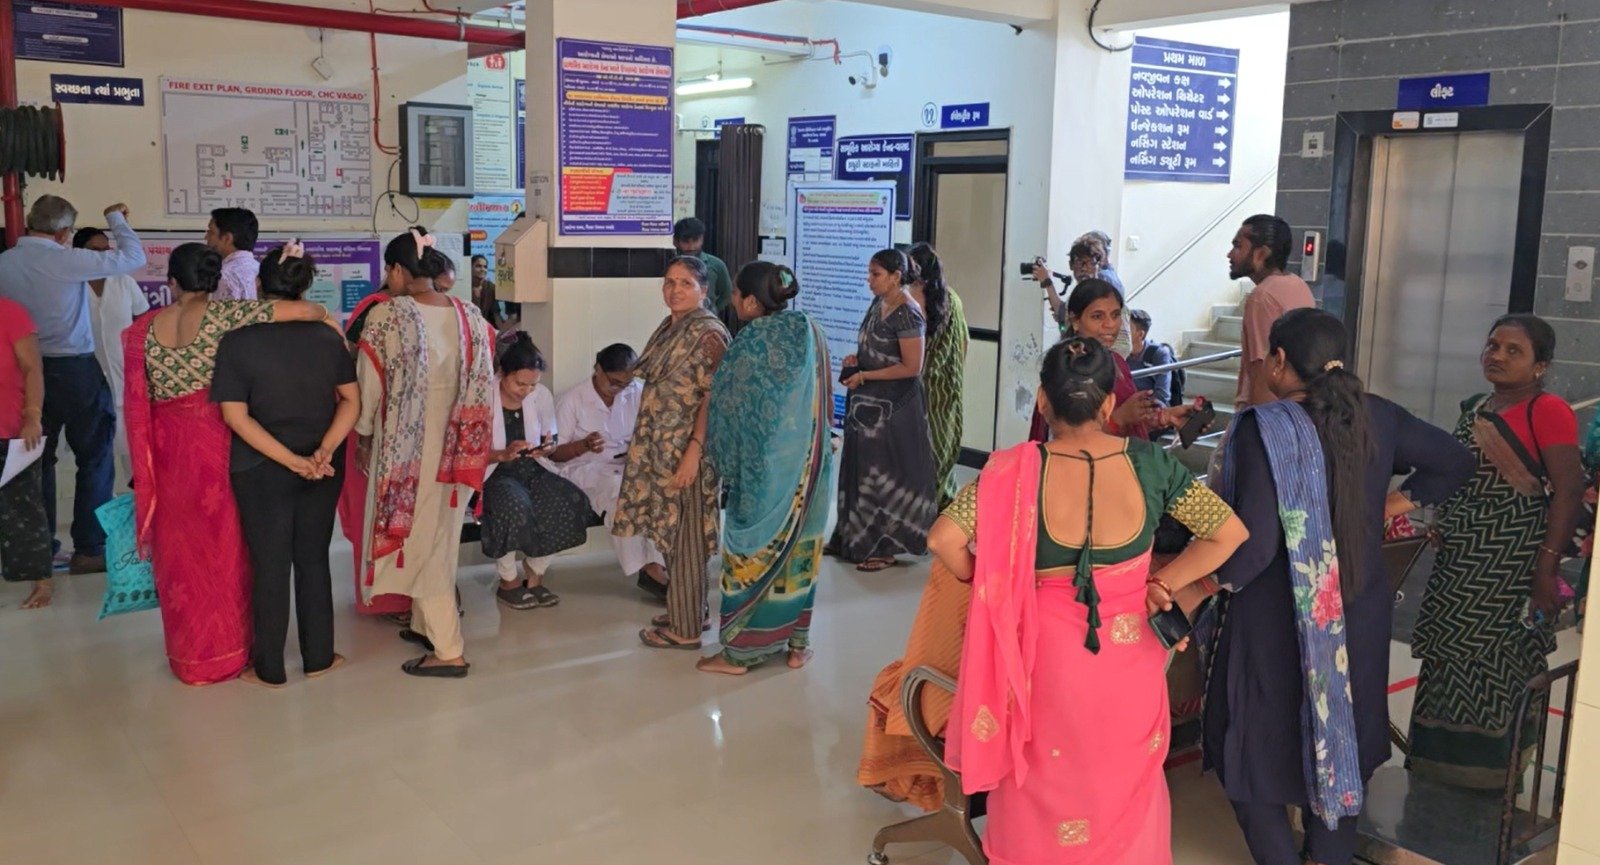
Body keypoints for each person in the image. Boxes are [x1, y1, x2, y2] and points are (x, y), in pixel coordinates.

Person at [937, 337, 1247, 865]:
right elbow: (1229, 534)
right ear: (1108, 405)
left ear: (1042, 401)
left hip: (1042, 659)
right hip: (1129, 657)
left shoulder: (1009, 471)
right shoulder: (1153, 465)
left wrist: (982, 578)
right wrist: (1166, 582)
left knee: (1039, 786)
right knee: (1123, 790)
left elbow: (942, 539)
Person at [1182, 309, 1472, 865]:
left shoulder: (1263, 429)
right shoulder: (1377, 416)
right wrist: (1388, 504)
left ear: (1282, 361)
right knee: (1336, 745)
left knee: (1251, 756)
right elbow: (1454, 460)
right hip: (1355, 613)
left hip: (1274, 619)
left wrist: (1205, 585)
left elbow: (1259, 544)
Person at [123, 243, 334, 685]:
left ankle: (190, 657)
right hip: (219, 444)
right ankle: (231, 651)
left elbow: (138, 403)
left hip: (167, 454)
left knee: (179, 555)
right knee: (229, 553)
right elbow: (308, 313)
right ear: (216, 282)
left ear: (172, 282)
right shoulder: (227, 317)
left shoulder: (140, 331)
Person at [1409, 314, 1588, 787]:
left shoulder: (1547, 410)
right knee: (1448, 660)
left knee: (1498, 663)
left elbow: (1570, 491)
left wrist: (1546, 568)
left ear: (1540, 366)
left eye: (1514, 351)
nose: (1498, 356)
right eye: (1493, 345)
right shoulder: (1475, 407)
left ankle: (1492, 778)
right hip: (1460, 565)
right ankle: (1436, 769)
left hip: (1510, 567)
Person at [211, 242, 359, 688]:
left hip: (259, 467)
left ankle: (270, 667)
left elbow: (235, 417)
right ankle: (318, 658)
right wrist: (323, 452)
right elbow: (351, 401)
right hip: (321, 466)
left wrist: (291, 461)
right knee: (313, 558)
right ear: (306, 286)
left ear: (259, 286)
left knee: (270, 562)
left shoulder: (236, 342)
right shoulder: (328, 337)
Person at [353, 227, 494, 678]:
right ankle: (423, 624)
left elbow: (369, 387)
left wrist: (363, 434)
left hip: (408, 445)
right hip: (459, 447)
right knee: (440, 537)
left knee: (421, 542)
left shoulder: (388, 316)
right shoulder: (470, 314)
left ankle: (449, 650)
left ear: (397, 270)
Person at [697, 262, 832, 675]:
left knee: (749, 555)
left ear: (752, 302)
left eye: (735, 295)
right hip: (811, 469)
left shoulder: (749, 342)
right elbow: (823, 396)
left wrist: (719, 461)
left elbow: (728, 408)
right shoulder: (811, 330)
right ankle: (796, 645)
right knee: (800, 556)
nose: (732, 301)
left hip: (764, 477)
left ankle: (739, 653)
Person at [0, 196, 145, 574]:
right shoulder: (66, 259)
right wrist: (115, 217)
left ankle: (41, 548)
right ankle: (89, 550)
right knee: (95, 458)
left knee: (36, 459)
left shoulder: (4, 263)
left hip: (23, 372)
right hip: (76, 371)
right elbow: (133, 256)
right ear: (64, 232)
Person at [613, 255, 730, 649]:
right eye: (669, 282)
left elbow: (714, 398)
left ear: (704, 290)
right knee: (672, 531)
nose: (675, 290)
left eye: (685, 283)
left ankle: (685, 631)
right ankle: (690, 609)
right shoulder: (672, 326)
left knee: (687, 534)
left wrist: (694, 451)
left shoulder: (709, 333)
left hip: (687, 451)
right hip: (660, 448)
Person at [829, 248, 938, 572]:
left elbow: (911, 367)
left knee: (885, 475)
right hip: (867, 405)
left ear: (895, 276)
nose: (869, 280)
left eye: (875, 274)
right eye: (869, 273)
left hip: (894, 409)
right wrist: (856, 361)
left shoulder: (908, 312)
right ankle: (853, 539)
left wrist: (866, 374)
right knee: (861, 470)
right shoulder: (880, 303)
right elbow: (879, 351)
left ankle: (885, 547)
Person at [480, 332, 596, 610]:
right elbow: (468, 451)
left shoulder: (540, 395)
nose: (526, 391)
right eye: (520, 383)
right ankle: (508, 581)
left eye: (532, 385)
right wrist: (503, 453)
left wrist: (546, 447)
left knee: (568, 500)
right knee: (513, 506)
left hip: (533, 467)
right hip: (495, 472)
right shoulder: (483, 395)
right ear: (503, 373)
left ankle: (535, 575)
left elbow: (551, 437)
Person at [548, 342, 666, 585]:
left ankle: (658, 564)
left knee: (656, 489)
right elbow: (553, 454)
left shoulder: (637, 391)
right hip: (586, 468)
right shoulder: (573, 400)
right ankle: (645, 567)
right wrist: (584, 445)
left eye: (626, 384)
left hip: (629, 465)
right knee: (618, 492)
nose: (620, 390)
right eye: (614, 382)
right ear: (597, 369)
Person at [337, 280, 412, 621]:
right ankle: (379, 597)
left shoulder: (422, 310)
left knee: (402, 511)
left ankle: (406, 594)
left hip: (406, 428)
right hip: (367, 421)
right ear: (397, 271)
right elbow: (351, 363)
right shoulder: (374, 308)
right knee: (370, 512)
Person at [1029, 279, 1168, 442]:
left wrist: (1162, 417)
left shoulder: (1117, 362)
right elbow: (1067, 441)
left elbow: (1131, 425)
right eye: (1097, 316)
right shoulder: (1067, 367)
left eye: (1115, 315)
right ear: (1075, 321)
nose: (1109, 324)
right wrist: (1119, 419)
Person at [73, 227, 150, 481]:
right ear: (78, 253)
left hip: (127, 385)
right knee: (96, 467)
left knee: (137, 467)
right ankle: (102, 518)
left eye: (107, 251)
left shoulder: (124, 282)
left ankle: (141, 518)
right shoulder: (71, 286)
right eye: (96, 252)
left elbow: (143, 324)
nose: (104, 257)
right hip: (89, 389)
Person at [1229, 215, 1315, 409]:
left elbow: (1264, 374)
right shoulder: (1298, 285)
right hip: (1296, 412)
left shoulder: (1261, 298)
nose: (1230, 254)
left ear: (1261, 254)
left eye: (1238, 246)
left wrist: (1257, 429)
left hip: (1268, 417)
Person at [909, 242, 969, 508]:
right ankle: (944, 507)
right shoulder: (953, 298)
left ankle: (923, 513)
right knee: (942, 448)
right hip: (948, 389)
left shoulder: (911, 301)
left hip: (921, 390)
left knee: (921, 453)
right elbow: (965, 342)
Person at [0, 297, 51, 608]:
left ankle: (42, 583)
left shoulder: (10, 312)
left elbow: (33, 368)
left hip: (11, 431)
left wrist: (32, 415)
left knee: (24, 510)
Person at [672, 217, 734, 321]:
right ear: (676, 241)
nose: (691, 246)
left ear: (702, 239)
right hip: (677, 319)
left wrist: (713, 310)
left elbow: (727, 294)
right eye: (686, 241)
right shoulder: (671, 267)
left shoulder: (716, 264)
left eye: (695, 240)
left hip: (707, 320)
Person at [205, 207, 260, 302]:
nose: (206, 237)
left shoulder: (222, 276)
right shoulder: (261, 270)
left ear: (227, 238)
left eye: (211, 232)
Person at [1127, 308, 1176, 410]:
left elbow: (1162, 395)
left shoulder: (1158, 354)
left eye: (1127, 329)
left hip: (1151, 410)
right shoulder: (1120, 353)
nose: (1120, 332)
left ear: (1140, 334)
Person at [469, 254, 515, 331]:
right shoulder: (464, 288)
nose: (482, 269)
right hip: (469, 328)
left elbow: (499, 312)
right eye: (478, 266)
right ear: (470, 267)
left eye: (485, 267)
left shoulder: (492, 288)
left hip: (489, 329)